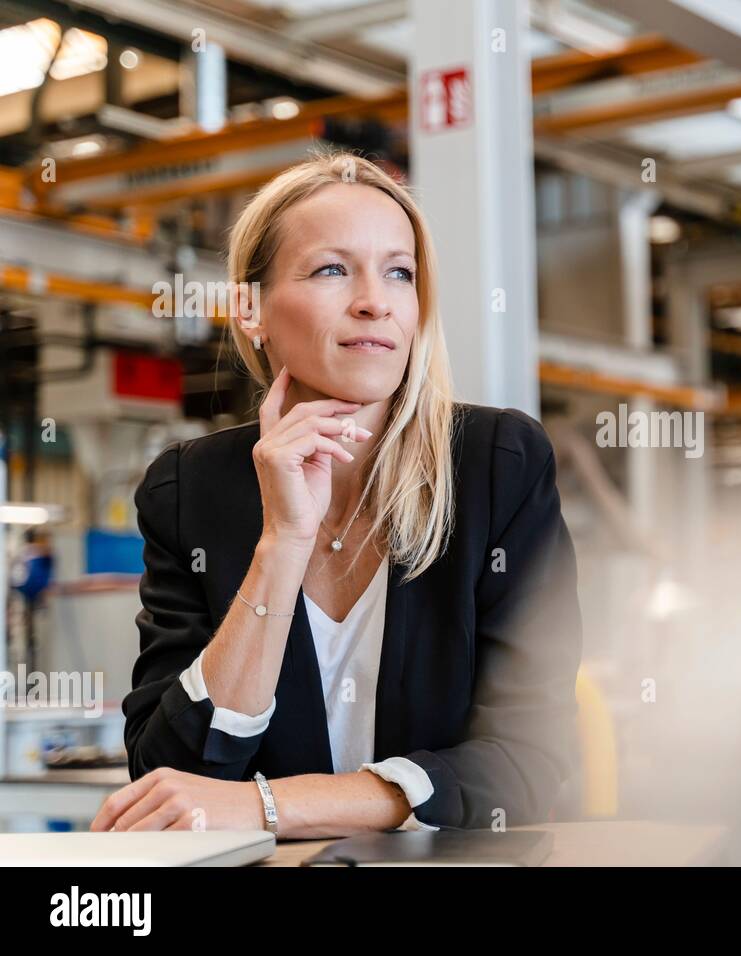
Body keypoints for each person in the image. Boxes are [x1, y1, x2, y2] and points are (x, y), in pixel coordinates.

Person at [91, 152, 582, 838]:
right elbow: (170, 773)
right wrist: (282, 543)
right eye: (331, 269)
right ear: (252, 309)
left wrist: (269, 807)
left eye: (399, 273)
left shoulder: (498, 465)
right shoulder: (188, 488)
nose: (374, 300)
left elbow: (527, 762)